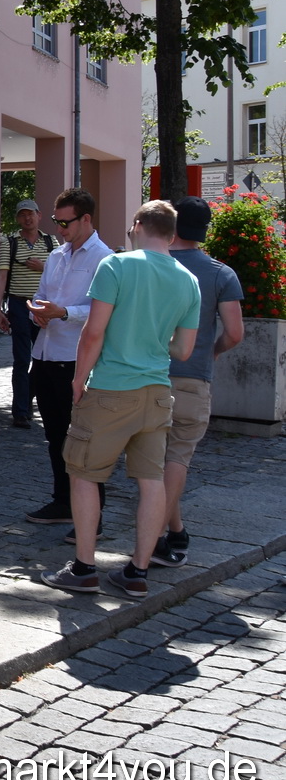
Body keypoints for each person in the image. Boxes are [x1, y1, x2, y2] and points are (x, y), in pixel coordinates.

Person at [42, 201, 199, 599]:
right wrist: (149, 334)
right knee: (151, 481)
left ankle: (83, 568)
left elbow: (93, 332)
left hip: (112, 387)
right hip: (157, 392)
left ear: (138, 225)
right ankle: (137, 573)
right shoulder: (188, 279)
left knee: (83, 474)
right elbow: (183, 349)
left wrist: (78, 380)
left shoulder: (117, 265)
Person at [155, 196, 244, 567]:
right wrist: (212, 352)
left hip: (147, 375)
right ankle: (157, 538)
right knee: (176, 459)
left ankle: (176, 531)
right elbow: (235, 333)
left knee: (154, 460)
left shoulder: (150, 266)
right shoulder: (220, 273)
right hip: (192, 376)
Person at [23, 188, 112, 530]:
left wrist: (64, 313)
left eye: (65, 222)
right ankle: (64, 501)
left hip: (76, 360)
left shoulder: (104, 258)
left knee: (84, 439)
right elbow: (40, 296)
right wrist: (37, 312)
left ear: (86, 219)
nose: (59, 229)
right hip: (45, 355)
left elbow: (103, 310)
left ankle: (94, 515)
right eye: (57, 221)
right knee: (56, 435)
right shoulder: (57, 256)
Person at [0, 198, 57, 428]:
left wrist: (44, 266)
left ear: (39, 215)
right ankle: (20, 410)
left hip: (44, 306)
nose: (27, 218)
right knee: (22, 359)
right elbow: (1, 275)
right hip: (19, 305)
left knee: (41, 359)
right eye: (22, 214)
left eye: (31, 213)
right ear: (18, 219)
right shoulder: (10, 243)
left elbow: (62, 272)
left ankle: (28, 398)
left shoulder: (52, 242)